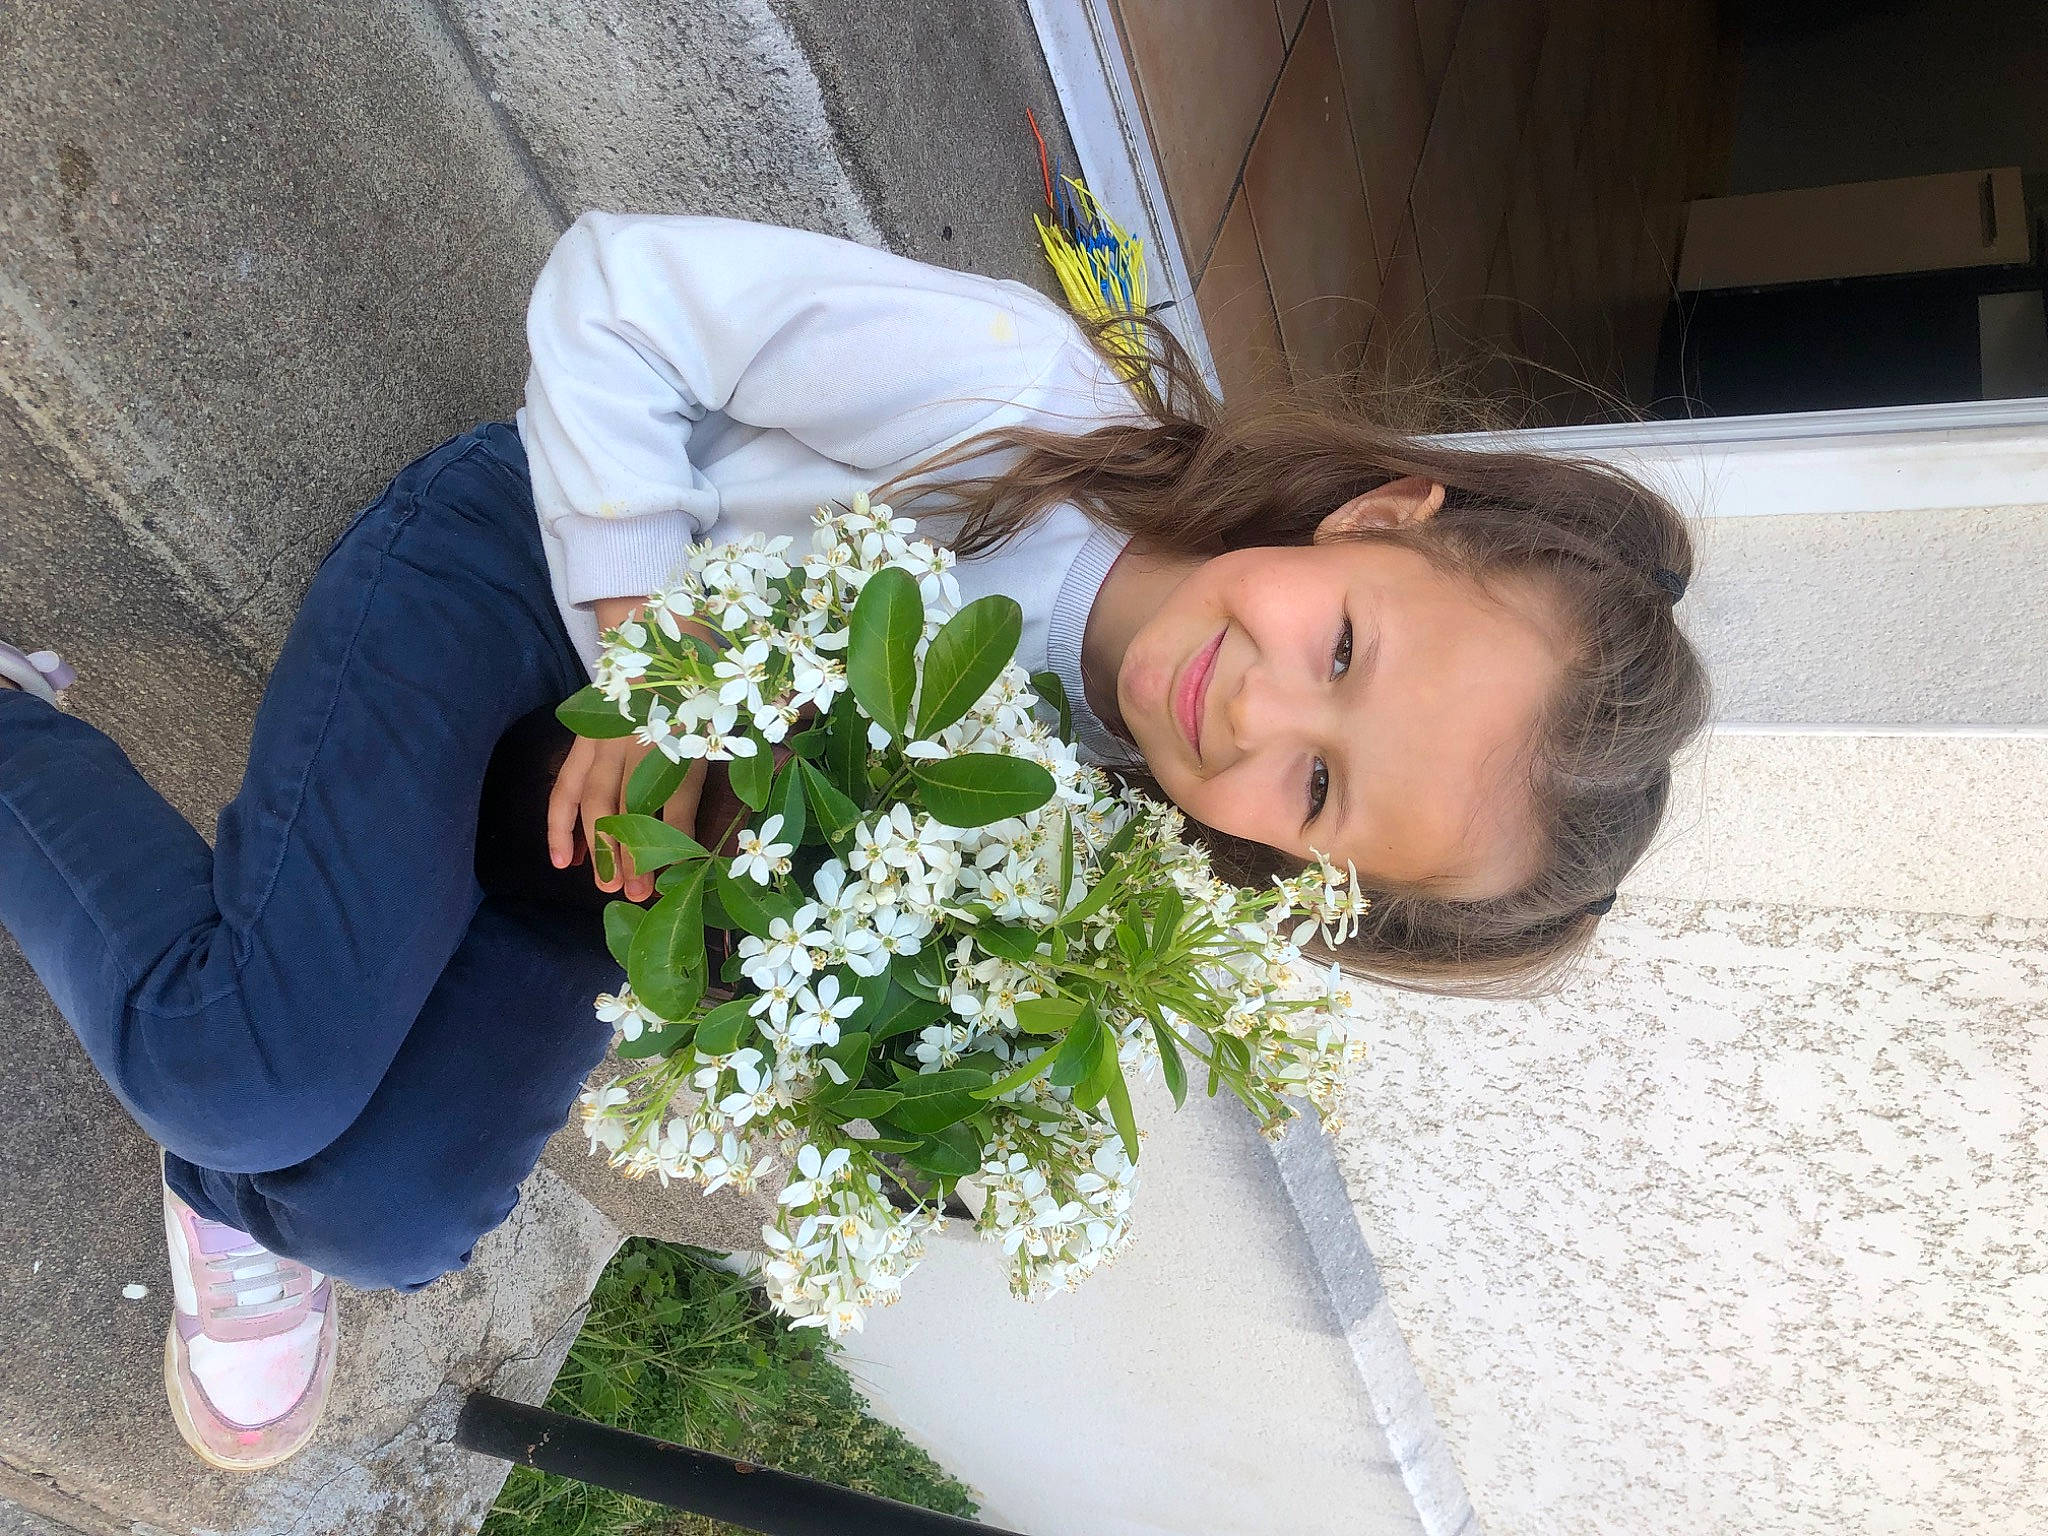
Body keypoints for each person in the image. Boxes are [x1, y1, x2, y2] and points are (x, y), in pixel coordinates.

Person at [0, 212, 1709, 1469]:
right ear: (1382, 514)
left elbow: (779, 935)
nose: (1261, 716)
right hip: (514, 590)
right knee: (240, 1066)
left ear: (1313, 881)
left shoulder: (1086, 862)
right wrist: (660, 675)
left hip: (603, 866)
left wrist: (901, 1104)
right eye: (1343, 646)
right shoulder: (1021, 416)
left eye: (1320, 794)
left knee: (383, 1223)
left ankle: (229, 1190)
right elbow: (619, 290)